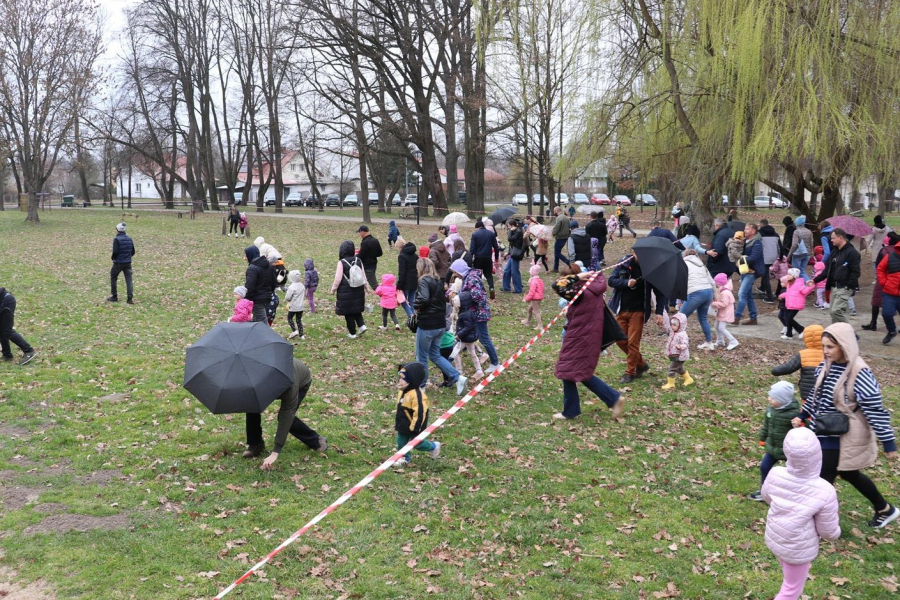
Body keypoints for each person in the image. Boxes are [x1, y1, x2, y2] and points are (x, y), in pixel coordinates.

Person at [792, 323, 899, 529]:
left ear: (845, 345)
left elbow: (875, 409)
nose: (825, 351)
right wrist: (803, 415)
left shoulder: (859, 372)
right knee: (848, 473)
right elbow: (817, 397)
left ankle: (814, 523)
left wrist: (888, 442)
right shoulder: (826, 365)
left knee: (823, 477)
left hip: (844, 433)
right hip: (823, 429)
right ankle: (885, 508)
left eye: (831, 347)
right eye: (824, 346)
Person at [760, 427, 841, 600]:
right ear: (818, 455)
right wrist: (836, 534)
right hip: (797, 546)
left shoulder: (775, 473)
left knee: (788, 574)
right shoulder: (824, 490)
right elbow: (827, 531)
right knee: (791, 589)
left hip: (776, 535)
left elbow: (767, 496)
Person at [551, 269, 625, 420]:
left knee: (576, 371)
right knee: (573, 371)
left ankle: (614, 398)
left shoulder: (581, 293)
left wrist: (576, 277)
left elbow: (557, 285)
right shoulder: (593, 290)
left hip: (580, 338)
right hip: (587, 336)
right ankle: (572, 410)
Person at [244, 358, 328, 467]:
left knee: (285, 419)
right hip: (269, 382)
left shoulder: (290, 384)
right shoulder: (257, 373)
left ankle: (317, 441)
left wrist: (275, 452)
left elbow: (287, 413)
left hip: (302, 381)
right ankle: (256, 444)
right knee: (252, 406)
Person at [608, 251, 665, 383]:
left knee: (633, 343)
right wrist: (626, 283)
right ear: (634, 253)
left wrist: (659, 312)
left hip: (638, 311)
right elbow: (611, 280)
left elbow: (660, 293)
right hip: (621, 309)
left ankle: (630, 373)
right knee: (620, 340)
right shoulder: (623, 263)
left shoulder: (651, 270)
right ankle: (641, 364)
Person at [414, 258, 465, 394]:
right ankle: (457, 377)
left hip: (427, 325)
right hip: (440, 325)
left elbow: (423, 298)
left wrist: (416, 305)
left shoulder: (423, 281)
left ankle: (422, 386)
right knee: (435, 355)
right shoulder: (438, 281)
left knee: (422, 357)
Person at [747, 381, 801, 501]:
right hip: (773, 446)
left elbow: (804, 432)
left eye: (773, 398)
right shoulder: (770, 410)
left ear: (783, 400)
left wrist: (799, 425)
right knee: (764, 467)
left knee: (792, 474)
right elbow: (766, 426)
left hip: (789, 450)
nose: (769, 399)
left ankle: (793, 494)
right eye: (769, 396)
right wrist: (763, 439)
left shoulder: (794, 413)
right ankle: (764, 491)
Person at [450, 259, 500, 373]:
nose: (454, 274)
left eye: (455, 272)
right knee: (481, 337)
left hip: (479, 313)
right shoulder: (468, 278)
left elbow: (477, 296)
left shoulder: (472, 279)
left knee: (484, 338)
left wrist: (461, 298)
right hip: (474, 313)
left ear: (460, 270)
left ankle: (495, 362)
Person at [392, 362, 442, 467]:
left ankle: (433, 446)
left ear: (412, 380)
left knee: (418, 444)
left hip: (415, 425)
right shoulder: (403, 391)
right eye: (399, 377)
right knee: (401, 440)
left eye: (403, 379)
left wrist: (415, 427)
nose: (400, 380)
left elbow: (420, 413)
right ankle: (405, 457)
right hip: (403, 423)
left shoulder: (417, 395)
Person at [809, 227, 860, 325]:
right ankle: (837, 334)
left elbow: (856, 272)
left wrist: (848, 285)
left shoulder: (852, 253)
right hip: (834, 287)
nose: (831, 240)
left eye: (833, 238)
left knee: (836, 311)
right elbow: (827, 270)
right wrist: (815, 280)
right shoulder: (834, 252)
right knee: (833, 313)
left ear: (840, 238)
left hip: (844, 287)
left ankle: (850, 334)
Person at [771, 324, 824, 403]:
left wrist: (774, 370)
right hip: (825, 394)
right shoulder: (829, 354)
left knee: (807, 413)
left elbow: (788, 367)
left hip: (807, 394)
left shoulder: (803, 354)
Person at [331, 240, 370, 338]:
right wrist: (366, 287)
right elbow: (363, 275)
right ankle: (362, 325)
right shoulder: (358, 260)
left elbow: (338, 278)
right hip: (358, 288)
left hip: (346, 290)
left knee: (348, 312)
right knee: (356, 309)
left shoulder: (341, 262)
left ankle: (352, 333)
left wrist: (333, 289)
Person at [680, 249, 717, 349]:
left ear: (685, 255)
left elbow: (681, 282)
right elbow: (712, 282)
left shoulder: (684, 264)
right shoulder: (701, 265)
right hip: (708, 292)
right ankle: (709, 342)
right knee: (703, 317)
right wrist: (715, 296)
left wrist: (680, 298)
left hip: (695, 292)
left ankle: (679, 342)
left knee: (681, 317)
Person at [735, 223, 764, 326]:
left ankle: (736, 317)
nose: (745, 231)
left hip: (752, 271)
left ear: (753, 231)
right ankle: (753, 318)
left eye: (747, 229)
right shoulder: (746, 241)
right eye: (745, 229)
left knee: (741, 293)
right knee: (748, 295)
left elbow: (755, 257)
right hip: (745, 270)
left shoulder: (757, 242)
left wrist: (741, 260)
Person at [0, 287, 36, 365]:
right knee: (2, 329)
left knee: (7, 330)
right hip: (3, 300)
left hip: (6, 301)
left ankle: (28, 351)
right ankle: (7, 355)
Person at [875, 235, 900, 344]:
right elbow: (880, 269)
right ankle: (891, 331)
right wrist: (883, 283)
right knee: (887, 313)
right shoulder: (890, 257)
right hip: (889, 292)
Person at [778, 268, 815, 339]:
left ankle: (802, 329)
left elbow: (805, 291)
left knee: (788, 318)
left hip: (796, 304)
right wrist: (782, 295)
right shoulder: (790, 283)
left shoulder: (799, 284)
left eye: (790, 274)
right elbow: (789, 293)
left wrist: (811, 286)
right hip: (790, 304)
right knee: (787, 318)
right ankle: (789, 334)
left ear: (794, 276)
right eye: (788, 274)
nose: (788, 276)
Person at [659, 312, 693, 389]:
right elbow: (667, 328)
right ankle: (688, 379)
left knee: (671, 368)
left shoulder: (682, 334)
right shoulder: (673, 332)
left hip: (680, 355)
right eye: (672, 324)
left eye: (674, 325)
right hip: (675, 354)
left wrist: (680, 346)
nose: (672, 326)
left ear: (681, 325)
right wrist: (662, 323)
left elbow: (686, 344)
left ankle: (671, 384)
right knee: (679, 368)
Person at [243, 245, 275, 323]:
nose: (245, 258)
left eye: (246, 255)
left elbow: (249, 286)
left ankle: (269, 335)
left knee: (262, 324)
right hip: (267, 298)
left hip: (257, 300)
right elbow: (274, 282)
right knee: (257, 322)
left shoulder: (252, 268)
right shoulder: (269, 266)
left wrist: (246, 299)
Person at [470, 219, 501, 298]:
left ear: (477, 227)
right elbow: (496, 247)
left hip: (478, 258)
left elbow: (472, 249)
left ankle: (479, 290)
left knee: (477, 275)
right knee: (488, 274)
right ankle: (491, 287)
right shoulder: (491, 234)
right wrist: (496, 257)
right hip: (488, 258)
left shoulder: (475, 234)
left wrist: (471, 258)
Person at [107, 222, 135, 304]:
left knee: (113, 277)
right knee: (129, 280)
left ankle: (114, 296)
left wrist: (113, 258)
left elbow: (115, 251)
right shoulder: (129, 239)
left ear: (117, 230)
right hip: (128, 263)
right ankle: (130, 298)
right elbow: (133, 252)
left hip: (118, 263)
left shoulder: (116, 239)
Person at [711, 273, 739, 350]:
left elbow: (724, 304)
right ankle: (720, 340)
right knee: (716, 326)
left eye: (717, 285)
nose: (716, 286)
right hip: (722, 313)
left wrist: (713, 303)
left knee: (721, 328)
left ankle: (733, 341)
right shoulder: (722, 291)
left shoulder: (725, 292)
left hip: (726, 314)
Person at [758, 218, 781, 303]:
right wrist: (780, 257)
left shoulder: (760, 234)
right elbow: (779, 247)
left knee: (765, 277)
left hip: (764, 257)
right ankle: (763, 288)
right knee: (768, 274)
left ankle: (770, 296)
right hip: (774, 257)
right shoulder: (776, 235)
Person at [396, 236, 419, 317]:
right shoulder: (415, 255)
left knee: (402, 300)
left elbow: (402, 272)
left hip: (406, 281)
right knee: (411, 300)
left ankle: (411, 315)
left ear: (400, 247)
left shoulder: (402, 256)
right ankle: (412, 318)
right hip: (415, 279)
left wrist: (399, 285)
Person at [786, 215, 813, 282]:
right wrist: (811, 252)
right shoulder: (809, 231)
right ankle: (806, 284)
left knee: (796, 272)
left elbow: (794, 245)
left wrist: (789, 256)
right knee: (802, 270)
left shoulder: (796, 232)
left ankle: (806, 284)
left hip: (798, 253)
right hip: (807, 253)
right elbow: (811, 243)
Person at [502, 219, 525, 293]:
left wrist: (510, 231)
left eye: (509, 226)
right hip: (512, 253)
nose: (508, 228)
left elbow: (510, 239)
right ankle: (506, 287)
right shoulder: (514, 232)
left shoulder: (518, 232)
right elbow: (511, 243)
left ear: (513, 226)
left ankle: (518, 289)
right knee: (506, 270)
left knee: (514, 272)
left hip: (516, 254)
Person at [284, 270, 307, 339]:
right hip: (301, 306)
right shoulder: (302, 285)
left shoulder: (292, 287)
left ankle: (294, 330)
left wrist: (288, 300)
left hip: (293, 306)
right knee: (298, 320)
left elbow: (288, 297)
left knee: (289, 318)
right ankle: (301, 335)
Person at [522, 263, 544, 329]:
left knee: (536, 311)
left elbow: (532, 292)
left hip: (535, 299)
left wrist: (526, 299)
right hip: (539, 297)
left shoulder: (533, 281)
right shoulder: (539, 280)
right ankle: (528, 321)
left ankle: (540, 325)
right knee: (530, 309)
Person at [551, 207, 571, 272]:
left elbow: (557, 227)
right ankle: (555, 268)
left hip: (559, 237)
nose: (554, 212)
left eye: (554, 211)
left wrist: (553, 233)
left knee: (557, 253)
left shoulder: (559, 218)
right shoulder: (566, 218)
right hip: (565, 237)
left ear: (557, 210)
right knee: (557, 252)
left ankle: (569, 263)